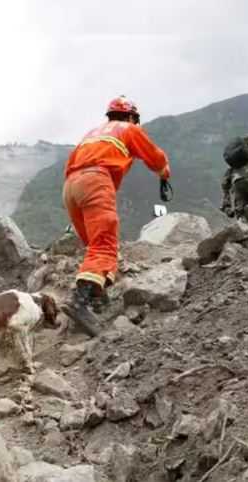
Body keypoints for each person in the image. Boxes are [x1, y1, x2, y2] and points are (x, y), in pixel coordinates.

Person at [62, 95, 171, 336]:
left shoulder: (92, 133)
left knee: (94, 245)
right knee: (104, 245)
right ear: (131, 116)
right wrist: (164, 173)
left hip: (71, 186)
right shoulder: (128, 129)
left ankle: (98, 297)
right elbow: (155, 157)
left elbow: (70, 164)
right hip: (96, 181)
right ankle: (79, 302)